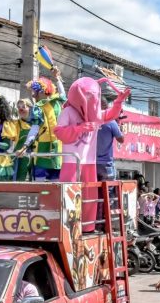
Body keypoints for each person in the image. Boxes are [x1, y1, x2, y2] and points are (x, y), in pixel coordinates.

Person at [54, 77, 129, 232]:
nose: (92, 102)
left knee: (90, 196)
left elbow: (110, 115)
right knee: (69, 193)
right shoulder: (68, 111)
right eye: (89, 97)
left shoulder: (95, 115)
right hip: (71, 162)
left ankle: (88, 226)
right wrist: (79, 128)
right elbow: (60, 133)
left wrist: (118, 101)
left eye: (93, 98)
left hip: (89, 162)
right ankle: (67, 227)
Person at [27, 68, 66, 181]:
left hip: (46, 149)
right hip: (56, 148)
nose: (33, 95)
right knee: (54, 183)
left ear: (41, 91)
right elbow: (63, 94)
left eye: (34, 91)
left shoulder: (39, 107)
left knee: (42, 182)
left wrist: (26, 145)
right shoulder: (57, 102)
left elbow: (34, 128)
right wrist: (57, 77)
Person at [13, 98, 43, 181]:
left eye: (23, 107)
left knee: (34, 179)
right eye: (18, 107)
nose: (20, 109)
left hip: (35, 155)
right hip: (20, 156)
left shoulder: (39, 122)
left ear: (30, 108)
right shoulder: (15, 123)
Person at [96, 102, 125, 181]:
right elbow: (121, 139)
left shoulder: (91, 120)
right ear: (106, 107)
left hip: (92, 163)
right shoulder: (111, 122)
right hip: (107, 163)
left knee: (95, 190)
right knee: (109, 190)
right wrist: (118, 126)